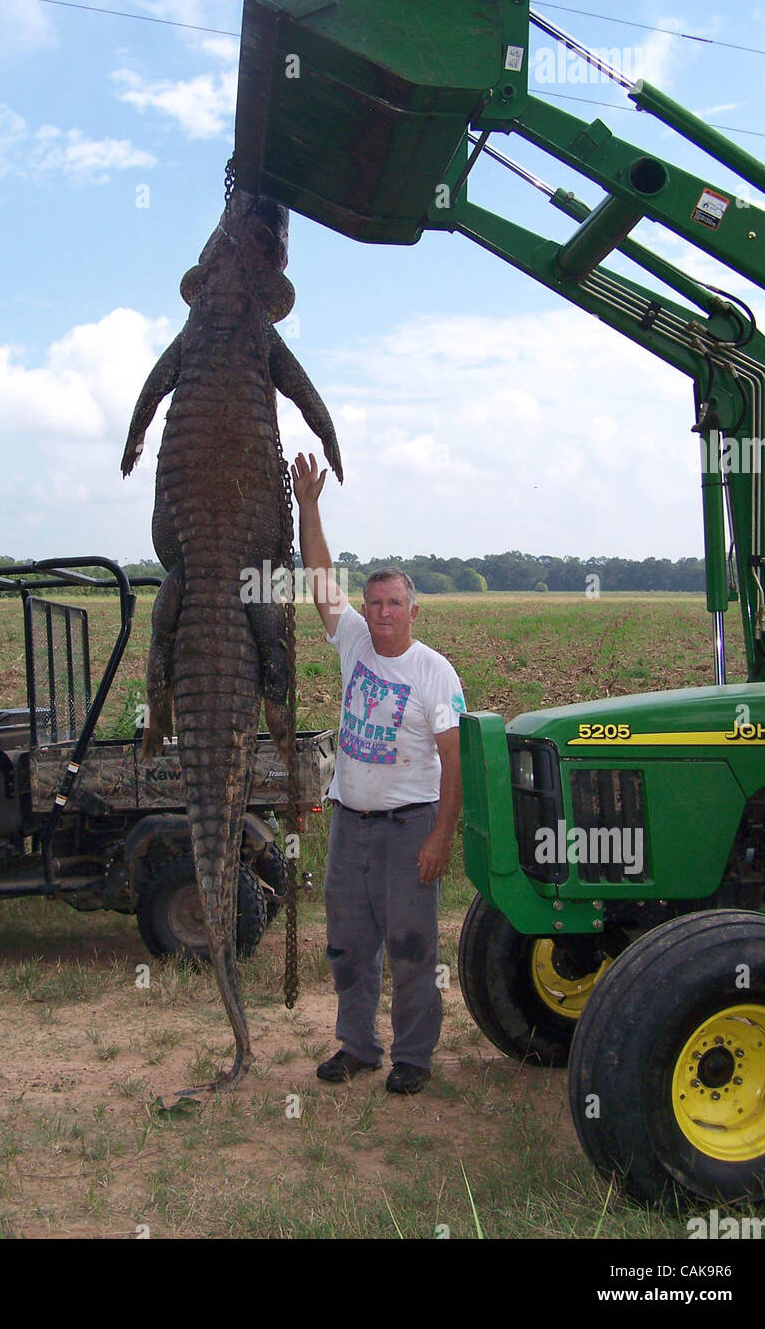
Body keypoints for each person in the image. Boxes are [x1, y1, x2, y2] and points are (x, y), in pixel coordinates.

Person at [291, 451, 465, 1095]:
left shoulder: (434, 673)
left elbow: (454, 761)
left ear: (413, 610)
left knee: (413, 945)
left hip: (407, 827)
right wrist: (309, 506)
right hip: (350, 826)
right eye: (375, 603)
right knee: (348, 944)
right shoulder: (354, 641)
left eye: (394, 603)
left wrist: (441, 837)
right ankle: (358, 1046)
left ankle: (413, 1057)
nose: (383, 613)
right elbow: (318, 577)